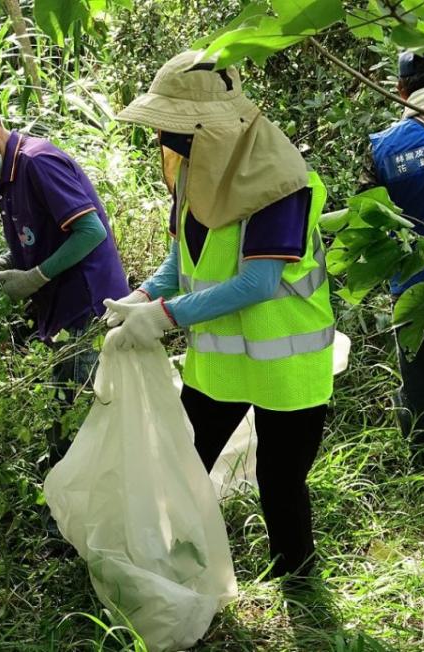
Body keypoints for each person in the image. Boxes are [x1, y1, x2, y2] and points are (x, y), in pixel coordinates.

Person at [108, 50, 335, 580]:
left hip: (287, 364)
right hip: (220, 363)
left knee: (279, 481)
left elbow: (259, 282)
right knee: (183, 464)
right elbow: (185, 255)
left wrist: (166, 315)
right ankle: (175, 570)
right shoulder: (197, 172)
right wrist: (143, 296)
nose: (165, 140)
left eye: (174, 128)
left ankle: (299, 585)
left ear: (209, 127)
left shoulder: (278, 181)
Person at [0, 93, 129, 465]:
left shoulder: (37, 162)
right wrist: (6, 262)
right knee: (66, 418)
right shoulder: (7, 177)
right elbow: (40, 236)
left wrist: (35, 277)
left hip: (88, 309)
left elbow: (90, 231)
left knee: (79, 429)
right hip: (62, 313)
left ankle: (79, 517)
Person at [364, 52, 424, 470]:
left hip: (414, 284)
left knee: (420, 382)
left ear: (400, 90)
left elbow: (369, 218)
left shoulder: (382, 146)